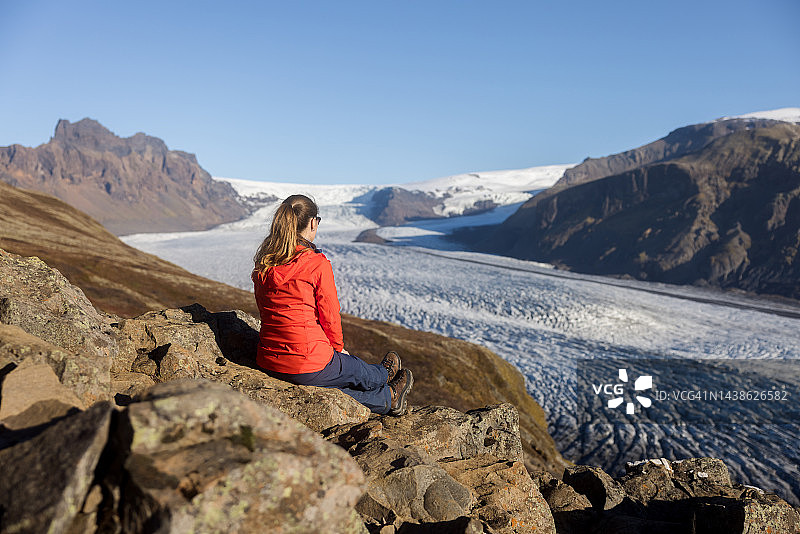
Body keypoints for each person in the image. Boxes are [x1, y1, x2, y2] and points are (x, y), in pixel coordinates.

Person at [252, 194, 413, 415]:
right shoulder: (316, 264)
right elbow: (330, 315)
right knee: (353, 369)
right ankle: (386, 385)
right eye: (317, 220)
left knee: (334, 385)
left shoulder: (265, 264)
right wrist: (337, 350)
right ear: (312, 223)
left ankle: (386, 393)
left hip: (269, 360)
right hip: (307, 361)